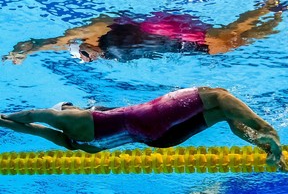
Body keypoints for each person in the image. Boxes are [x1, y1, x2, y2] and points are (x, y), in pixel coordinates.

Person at [2, 0, 286, 64]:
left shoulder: (95, 31)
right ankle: (278, 13)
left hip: (170, 33)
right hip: (176, 46)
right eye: (84, 58)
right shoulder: (99, 50)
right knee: (232, 43)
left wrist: (24, 48)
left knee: (227, 37)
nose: (87, 58)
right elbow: (55, 47)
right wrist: (29, 52)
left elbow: (53, 41)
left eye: (83, 53)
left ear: (82, 42)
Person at [0, 87, 287, 170]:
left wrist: (2, 120)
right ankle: (268, 131)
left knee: (224, 112)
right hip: (149, 119)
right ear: (67, 108)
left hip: (159, 140)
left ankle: (264, 147)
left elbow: (32, 129)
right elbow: (32, 114)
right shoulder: (70, 118)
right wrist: (12, 114)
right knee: (219, 96)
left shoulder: (72, 141)